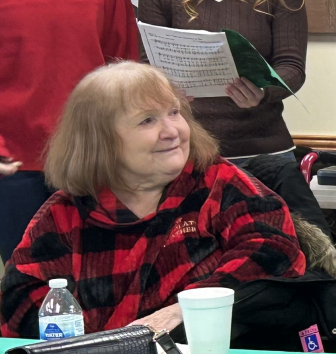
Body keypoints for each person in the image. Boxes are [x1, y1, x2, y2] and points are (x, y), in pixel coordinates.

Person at [1, 63, 305, 338]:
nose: (172, 131)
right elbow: (21, 296)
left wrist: (188, 308)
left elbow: (273, 250)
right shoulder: (66, 211)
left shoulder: (218, 182)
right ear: (101, 141)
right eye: (147, 120)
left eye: (174, 112)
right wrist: (97, 345)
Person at [137, 0, 321, 224]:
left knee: (284, 252)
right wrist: (166, 91)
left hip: (265, 155)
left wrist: (262, 92)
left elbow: (292, 68)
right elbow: (146, 67)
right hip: (187, 155)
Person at [0, 0, 138, 259]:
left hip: (93, 157)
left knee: (105, 282)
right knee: (32, 287)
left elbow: (124, 60)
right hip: (15, 168)